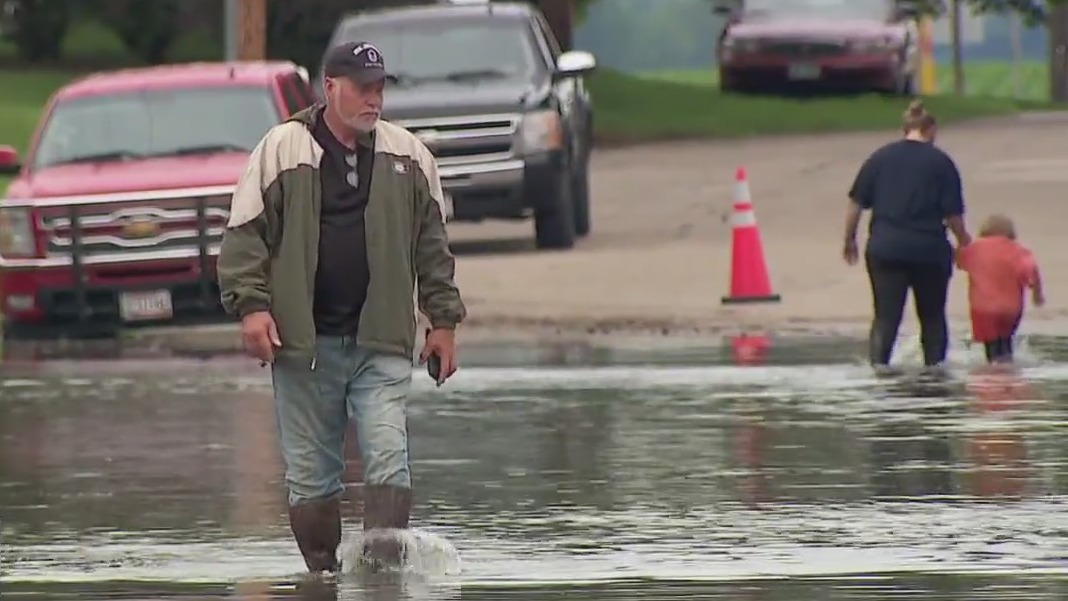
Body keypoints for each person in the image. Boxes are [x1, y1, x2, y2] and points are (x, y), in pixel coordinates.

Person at [216, 40, 467, 573]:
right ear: (330, 87)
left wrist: (442, 321)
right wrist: (251, 308)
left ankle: (383, 575)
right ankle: (322, 576)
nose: (373, 100)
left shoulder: (410, 156)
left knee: (387, 456)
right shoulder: (281, 149)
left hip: (381, 341)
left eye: (379, 89)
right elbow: (244, 238)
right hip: (303, 347)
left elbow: (433, 246)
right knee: (311, 480)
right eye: (361, 88)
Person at [843, 99, 972, 368]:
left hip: (885, 248)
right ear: (931, 130)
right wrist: (964, 243)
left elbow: (856, 202)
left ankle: (878, 369)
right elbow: (953, 216)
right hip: (929, 250)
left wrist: (849, 239)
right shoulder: (941, 163)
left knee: (885, 318)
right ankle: (935, 375)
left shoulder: (880, 158)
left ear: (905, 129)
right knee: (933, 318)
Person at [956, 214, 1044, 363]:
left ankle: (994, 374)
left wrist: (960, 246)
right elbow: (1031, 270)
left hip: (983, 308)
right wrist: (1037, 294)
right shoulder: (1018, 251)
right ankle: (1007, 370)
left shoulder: (975, 249)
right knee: (1006, 340)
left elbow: (959, 262)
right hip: (1011, 309)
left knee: (991, 346)